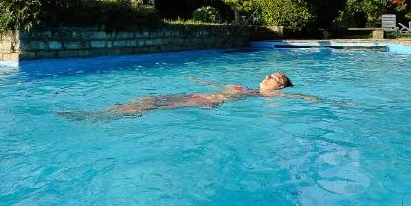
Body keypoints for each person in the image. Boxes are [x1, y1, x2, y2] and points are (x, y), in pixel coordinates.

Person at [58, 72, 318, 121]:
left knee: (150, 106)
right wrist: (201, 81)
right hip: (197, 94)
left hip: (205, 103)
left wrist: (322, 101)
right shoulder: (245, 88)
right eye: (269, 74)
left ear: (280, 88)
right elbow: (217, 83)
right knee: (148, 100)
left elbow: (301, 98)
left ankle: (100, 117)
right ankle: (104, 114)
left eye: (275, 78)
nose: (268, 77)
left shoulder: (268, 98)